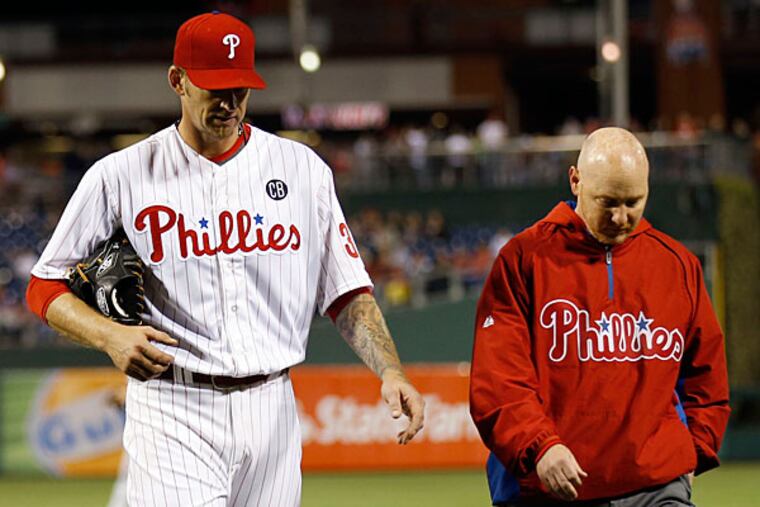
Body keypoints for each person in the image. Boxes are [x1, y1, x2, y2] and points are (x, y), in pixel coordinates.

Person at [25, 12, 424, 506]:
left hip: (272, 407)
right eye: (215, 87)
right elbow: (43, 284)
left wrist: (391, 371)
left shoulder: (302, 171)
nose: (230, 103)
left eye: (240, 87)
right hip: (175, 403)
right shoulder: (120, 175)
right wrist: (109, 335)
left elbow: (347, 295)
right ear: (179, 81)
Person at [470, 127, 729, 505]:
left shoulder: (677, 265)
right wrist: (539, 446)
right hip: (548, 485)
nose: (621, 217)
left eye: (633, 201)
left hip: (656, 486)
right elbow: (497, 380)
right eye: (607, 201)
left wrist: (694, 449)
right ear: (575, 181)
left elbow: (707, 374)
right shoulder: (525, 258)